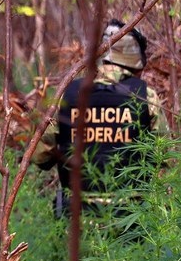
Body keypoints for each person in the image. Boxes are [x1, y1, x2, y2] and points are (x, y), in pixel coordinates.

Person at [32, 19, 168, 220]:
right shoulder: (146, 97)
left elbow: (39, 157)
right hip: (131, 217)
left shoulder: (68, 95)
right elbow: (164, 156)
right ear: (134, 58)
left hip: (76, 215)